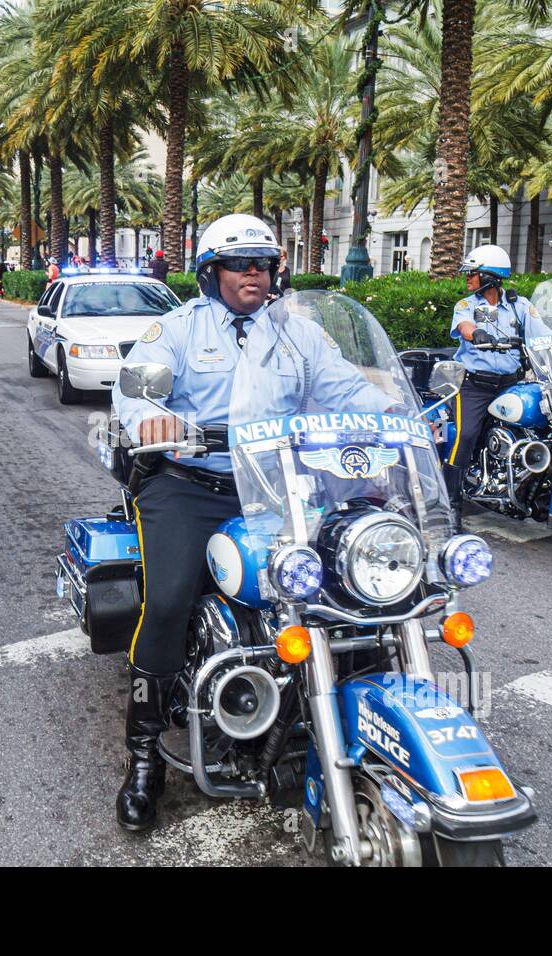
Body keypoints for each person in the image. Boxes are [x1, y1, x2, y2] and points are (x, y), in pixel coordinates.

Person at [110, 214, 392, 832]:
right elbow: (134, 390)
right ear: (211, 273)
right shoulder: (178, 329)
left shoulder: (298, 334)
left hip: (277, 485)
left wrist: (399, 412)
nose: (255, 275)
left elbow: (345, 389)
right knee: (169, 602)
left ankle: (339, 710)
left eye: (264, 264)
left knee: (348, 583)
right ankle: (143, 755)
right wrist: (151, 424)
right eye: (241, 265)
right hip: (190, 484)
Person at [444, 244, 540, 532]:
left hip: (512, 383)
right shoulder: (467, 305)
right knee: (466, 434)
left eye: (473, 273)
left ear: (491, 276)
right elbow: (465, 327)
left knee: (540, 424)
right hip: (474, 386)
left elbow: (543, 334)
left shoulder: (520, 306)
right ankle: (450, 504)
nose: (468, 278)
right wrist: (477, 333)